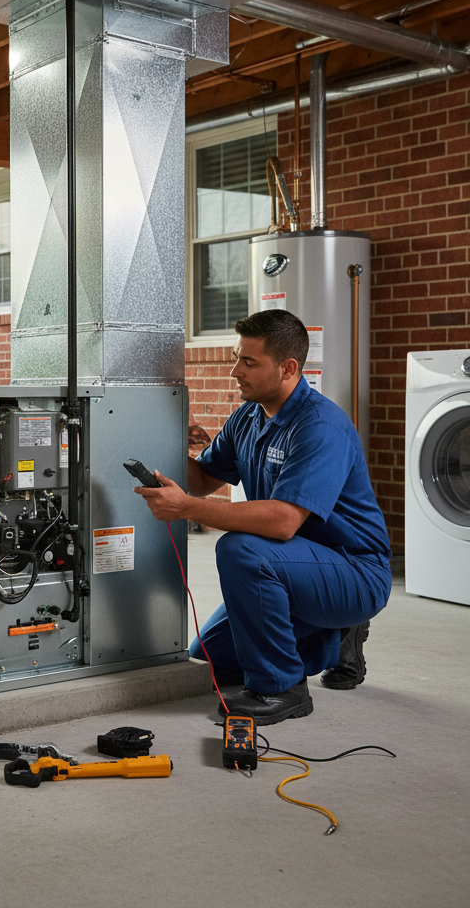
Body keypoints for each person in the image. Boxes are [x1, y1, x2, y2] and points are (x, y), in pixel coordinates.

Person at [134, 309, 391, 725]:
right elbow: (202, 481)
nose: (235, 371)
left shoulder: (319, 426)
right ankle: (333, 634)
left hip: (354, 570)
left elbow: (282, 522)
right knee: (211, 657)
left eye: (249, 362)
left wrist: (186, 509)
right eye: (236, 357)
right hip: (296, 565)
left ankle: (282, 687)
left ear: (289, 368)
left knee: (242, 551)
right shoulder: (248, 416)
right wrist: (172, 434)